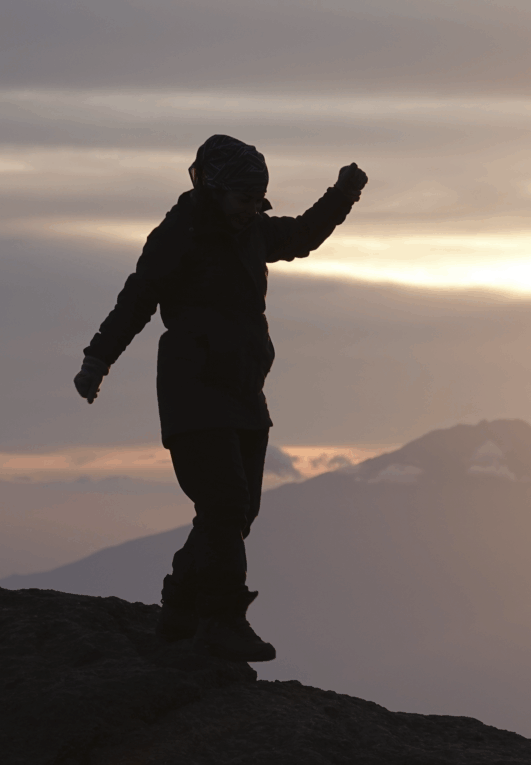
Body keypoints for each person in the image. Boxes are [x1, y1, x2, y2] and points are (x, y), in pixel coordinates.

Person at [74, 134, 368, 662]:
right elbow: (137, 299)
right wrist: (98, 360)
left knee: (238, 511)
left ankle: (182, 610)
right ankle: (223, 620)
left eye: (258, 201)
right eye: (243, 200)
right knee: (223, 503)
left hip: (244, 388)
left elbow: (301, 235)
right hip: (193, 388)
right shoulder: (177, 236)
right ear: (213, 187)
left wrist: (342, 196)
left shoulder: (252, 231)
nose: (252, 211)